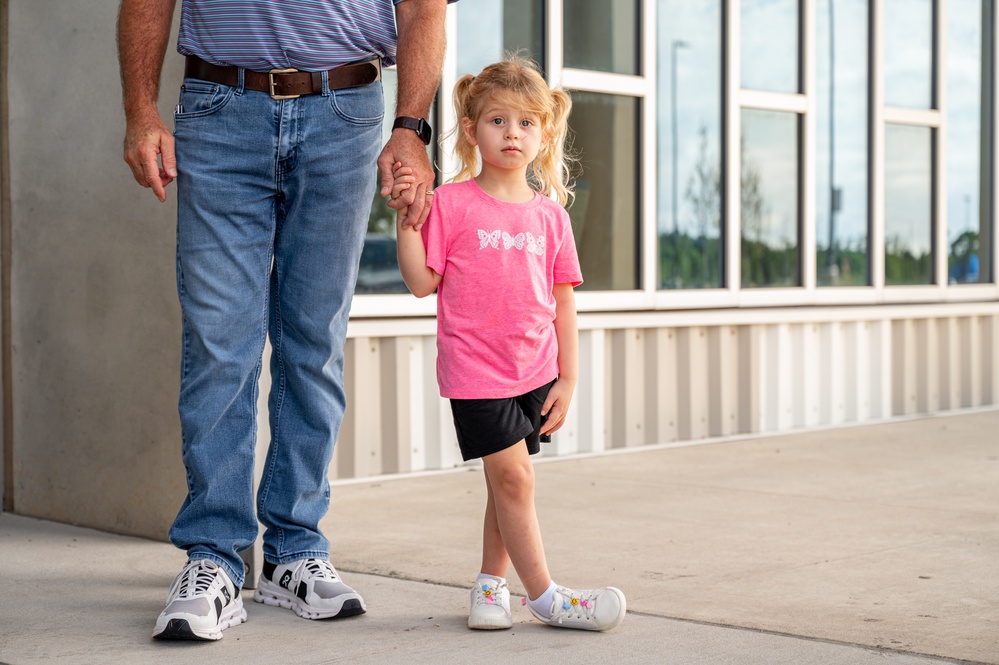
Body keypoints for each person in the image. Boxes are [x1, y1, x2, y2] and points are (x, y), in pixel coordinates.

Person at [117, 0, 450, 641]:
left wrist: (411, 125)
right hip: (219, 107)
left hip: (345, 110)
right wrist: (140, 109)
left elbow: (422, 7)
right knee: (220, 342)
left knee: (313, 341)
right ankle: (213, 556)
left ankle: (294, 550)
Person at [392, 57, 627, 632]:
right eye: (498, 120)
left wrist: (568, 379)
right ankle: (546, 598)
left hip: (536, 371)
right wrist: (405, 223)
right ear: (472, 128)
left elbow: (563, 301)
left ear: (545, 132)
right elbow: (424, 283)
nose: (513, 134)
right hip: (476, 373)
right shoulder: (450, 204)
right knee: (516, 480)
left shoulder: (552, 218)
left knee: (507, 483)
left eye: (526, 123)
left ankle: (490, 587)